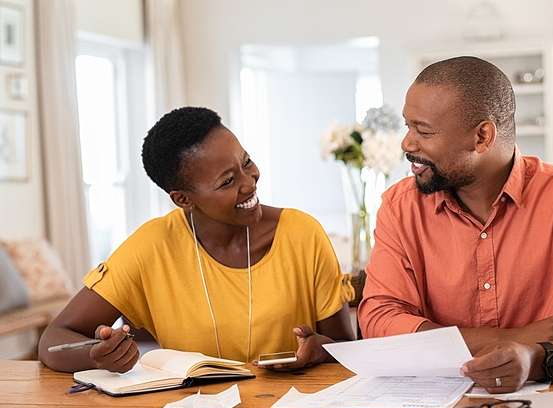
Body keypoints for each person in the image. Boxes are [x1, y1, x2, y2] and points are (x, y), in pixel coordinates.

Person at [39, 107, 354, 373]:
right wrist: (97, 356)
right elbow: (53, 340)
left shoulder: (302, 233)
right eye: (227, 181)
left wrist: (318, 350)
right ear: (182, 199)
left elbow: (345, 349)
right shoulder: (151, 246)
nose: (250, 182)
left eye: (246, 162)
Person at [358, 56, 553, 393]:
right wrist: (510, 339)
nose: (407, 144)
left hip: (546, 405)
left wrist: (535, 358)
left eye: (423, 131)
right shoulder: (400, 207)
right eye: (407, 126)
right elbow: (380, 319)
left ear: (482, 136)